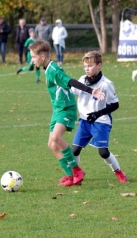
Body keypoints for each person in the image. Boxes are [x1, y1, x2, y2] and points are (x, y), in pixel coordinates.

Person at [29, 40, 105, 187]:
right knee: (51, 144)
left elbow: (71, 82)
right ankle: (70, 175)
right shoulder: (47, 68)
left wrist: (91, 91)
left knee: (56, 137)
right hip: (57, 109)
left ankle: (77, 171)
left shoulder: (54, 70)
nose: (32, 60)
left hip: (66, 109)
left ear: (42, 57)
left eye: (33, 57)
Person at [60, 51, 127, 184]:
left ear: (99, 65)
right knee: (75, 150)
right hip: (84, 122)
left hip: (101, 122)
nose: (87, 69)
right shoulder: (82, 80)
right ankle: (75, 175)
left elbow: (115, 105)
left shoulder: (106, 84)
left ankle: (118, 171)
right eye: (85, 66)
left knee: (103, 152)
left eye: (90, 66)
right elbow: (72, 91)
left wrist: (97, 114)